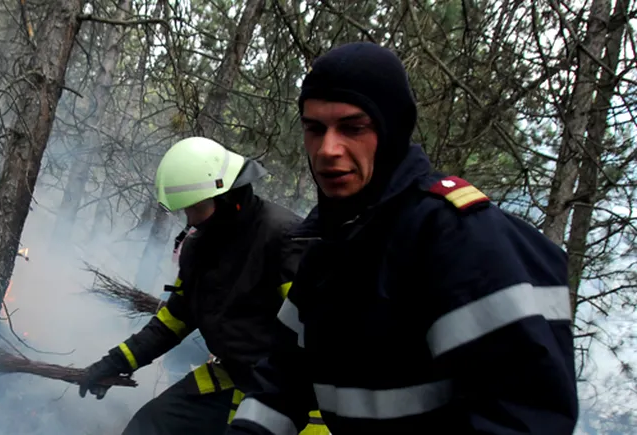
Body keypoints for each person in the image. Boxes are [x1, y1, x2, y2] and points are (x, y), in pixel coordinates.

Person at [227, 41, 578, 434]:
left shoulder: (460, 240)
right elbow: (279, 383)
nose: (327, 150)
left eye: (353, 127)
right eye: (314, 128)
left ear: (391, 130)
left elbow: (523, 417)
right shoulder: (325, 257)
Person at [77, 137, 330, 435]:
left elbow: (322, 335)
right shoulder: (198, 249)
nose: (191, 219)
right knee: (149, 427)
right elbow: (174, 321)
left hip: (292, 395)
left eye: (196, 208)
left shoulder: (285, 239)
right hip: (232, 380)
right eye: (187, 210)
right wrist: (117, 361)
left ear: (226, 198)